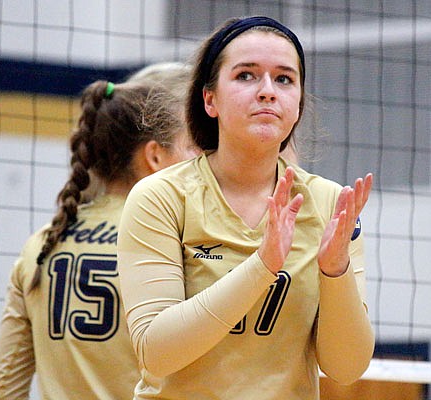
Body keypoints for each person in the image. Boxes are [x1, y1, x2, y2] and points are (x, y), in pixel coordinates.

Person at [117, 15, 375, 399]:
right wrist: (262, 266)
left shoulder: (329, 203)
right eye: (246, 76)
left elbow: (346, 368)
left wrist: (335, 272)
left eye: (284, 79)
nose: (268, 91)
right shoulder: (161, 196)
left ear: (298, 104)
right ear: (210, 99)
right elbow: (156, 352)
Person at [0, 69, 200, 399]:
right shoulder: (174, 240)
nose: (200, 161)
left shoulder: (43, 243)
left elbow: (6, 390)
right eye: (191, 147)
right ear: (155, 156)